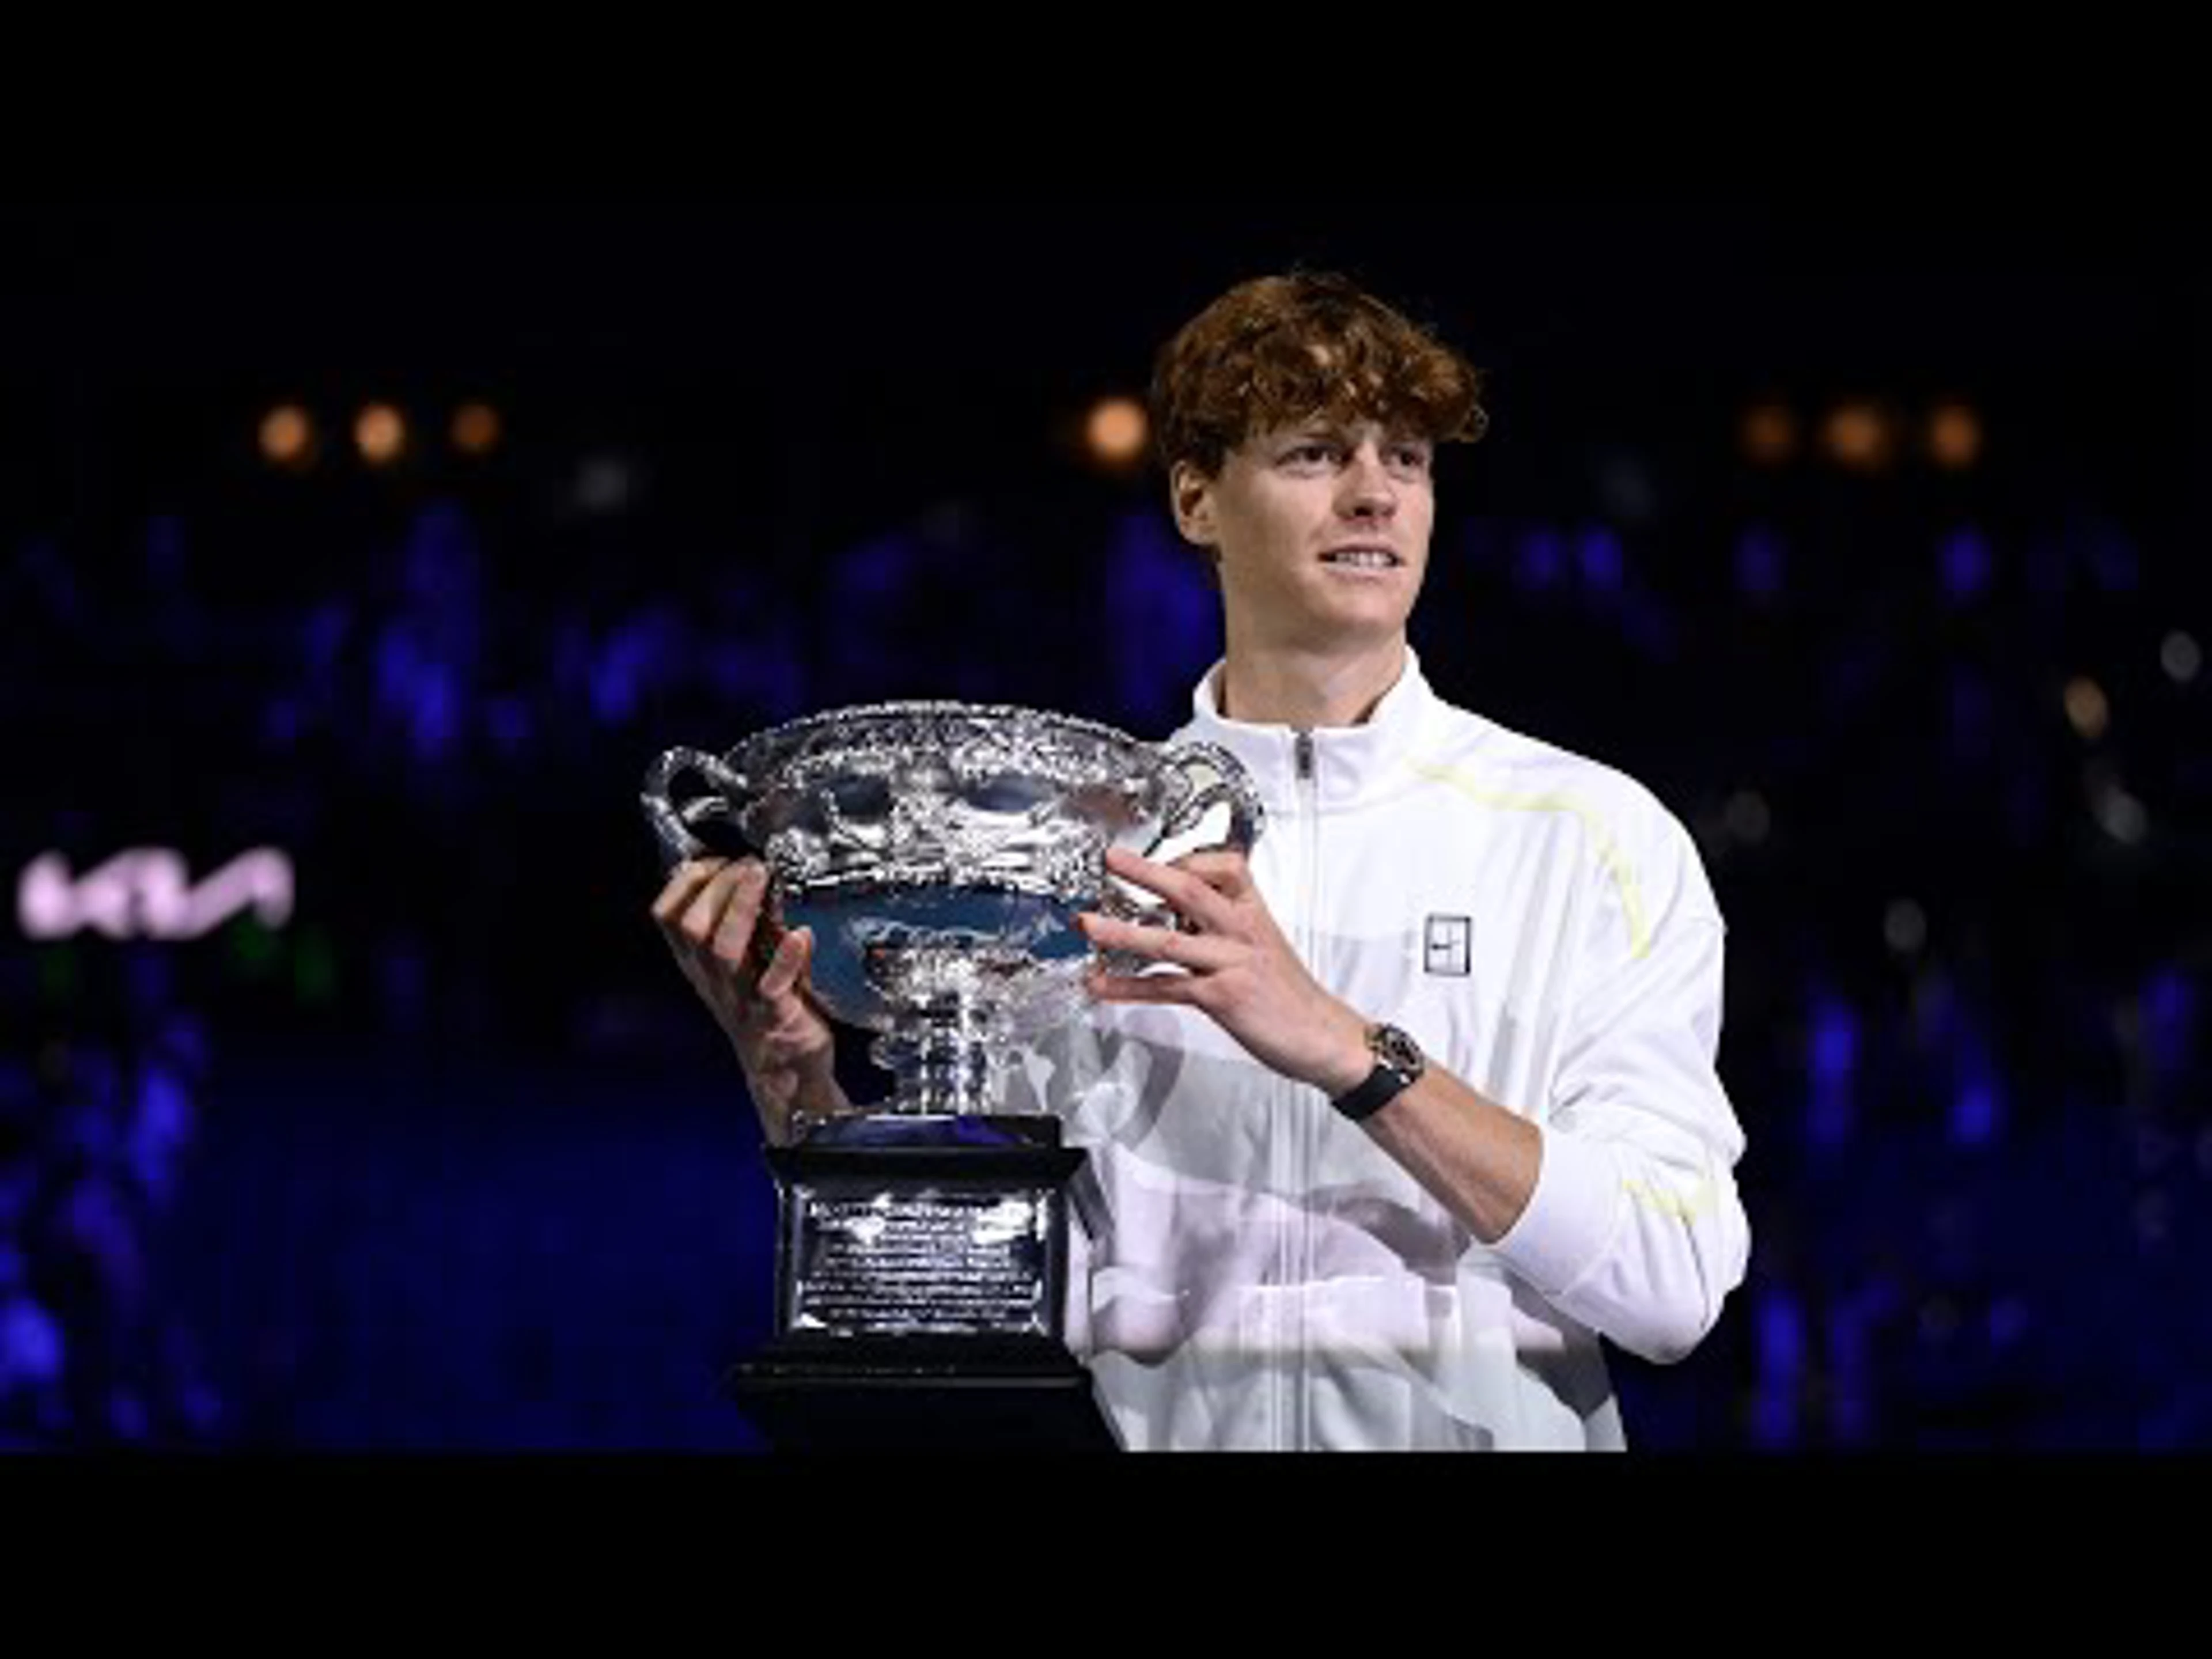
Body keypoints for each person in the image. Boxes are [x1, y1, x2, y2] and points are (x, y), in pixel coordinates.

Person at [652, 271, 1751, 1450]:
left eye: (1407, 458)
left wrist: (1352, 1052)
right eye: (1316, 453)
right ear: (1196, 499)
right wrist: (799, 1093)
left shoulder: (1587, 837)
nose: (1376, 493)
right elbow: (967, 1306)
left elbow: (1673, 1282)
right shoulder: (1070, 846)